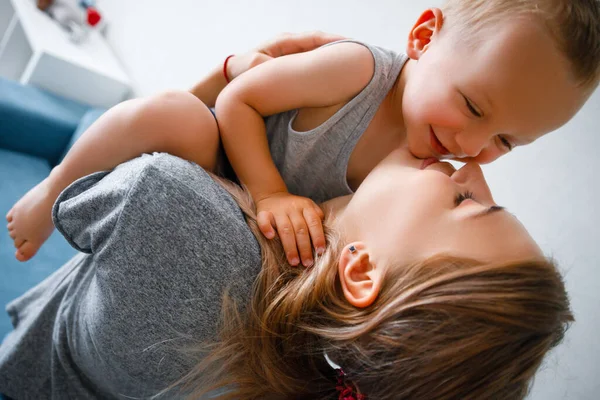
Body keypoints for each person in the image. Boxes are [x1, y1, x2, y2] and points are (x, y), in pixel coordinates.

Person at [6, 0, 600, 267]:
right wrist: (268, 191)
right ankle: (55, 185)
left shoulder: (428, 167)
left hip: (250, 237)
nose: (473, 147)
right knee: (172, 114)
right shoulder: (359, 70)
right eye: (472, 105)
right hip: (227, 164)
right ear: (423, 39)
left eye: (507, 143)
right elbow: (239, 99)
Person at [0, 147, 573, 399]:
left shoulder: (180, 212)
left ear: (362, 271)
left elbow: (73, 202)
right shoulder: (310, 375)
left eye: (467, 203)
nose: (472, 168)